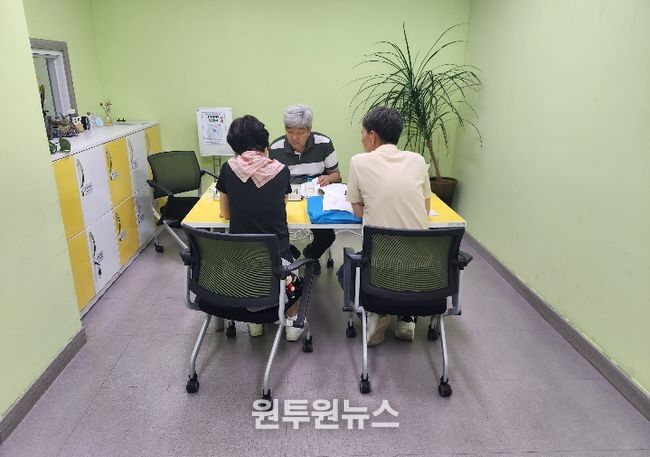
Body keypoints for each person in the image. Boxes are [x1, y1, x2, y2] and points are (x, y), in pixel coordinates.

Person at [345, 106, 432, 346]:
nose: (361, 138)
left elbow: (357, 210)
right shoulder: (417, 160)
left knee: (345, 272)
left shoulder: (359, 162)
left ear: (372, 136)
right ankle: (407, 320)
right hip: (421, 270)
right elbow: (425, 210)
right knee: (406, 263)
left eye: (363, 133)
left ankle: (377, 313)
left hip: (379, 268)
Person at [216, 114, 305, 341]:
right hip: (278, 262)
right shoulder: (281, 170)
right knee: (291, 264)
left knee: (252, 264)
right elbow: (282, 206)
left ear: (234, 144)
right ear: (264, 142)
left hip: (241, 261)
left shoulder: (228, 169)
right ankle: (292, 320)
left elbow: (226, 212)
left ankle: (254, 320)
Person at [269, 104, 340, 274]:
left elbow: (336, 174)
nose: (294, 137)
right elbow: (270, 180)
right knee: (273, 232)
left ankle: (310, 255)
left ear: (309, 130)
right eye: (290, 132)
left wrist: (328, 178)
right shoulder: (276, 148)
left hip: (315, 197)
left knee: (327, 236)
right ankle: (291, 255)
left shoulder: (324, 143)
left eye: (300, 133)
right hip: (287, 198)